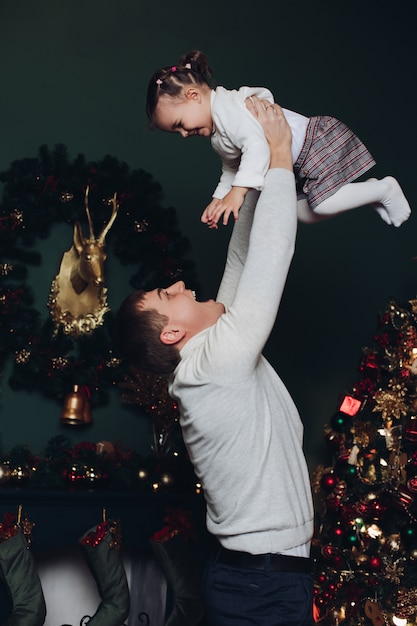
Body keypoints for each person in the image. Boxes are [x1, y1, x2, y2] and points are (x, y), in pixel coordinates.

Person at [117, 96, 315, 625]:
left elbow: (244, 256)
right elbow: (273, 256)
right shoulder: (215, 365)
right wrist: (278, 156)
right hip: (263, 585)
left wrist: (242, 184)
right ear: (173, 332)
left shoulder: (209, 351)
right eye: (168, 293)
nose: (181, 283)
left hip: (259, 577)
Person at [146, 49, 411, 229]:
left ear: (194, 96)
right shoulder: (218, 133)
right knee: (302, 213)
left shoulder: (228, 108)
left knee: (323, 203)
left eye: (180, 124)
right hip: (296, 164)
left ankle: (384, 189)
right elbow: (232, 167)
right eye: (176, 132)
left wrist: (238, 194)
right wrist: (219, 198)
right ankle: (370, 193)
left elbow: (257, 146)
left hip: (310, 144)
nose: (183, 134)